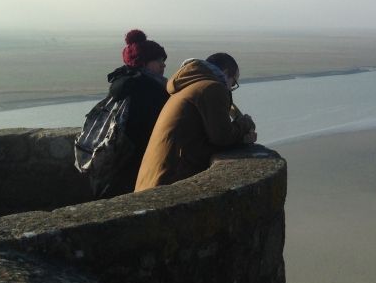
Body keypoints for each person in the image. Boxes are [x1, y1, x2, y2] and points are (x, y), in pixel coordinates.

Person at [134, 52, 257, 191]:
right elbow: (223, 136)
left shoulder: (189, 85)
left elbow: (202, 139)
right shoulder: (212, 87)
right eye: (233, 82)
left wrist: (240, 138)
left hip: (155, 180)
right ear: (226, 72)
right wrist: (246, 123)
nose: (230, 88)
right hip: (169, 183)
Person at [98, 29, 169, 197]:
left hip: (120, 158)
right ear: (143, 63)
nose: (163, 65)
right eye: (158, 60)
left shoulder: (123, 83)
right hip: (140, 157)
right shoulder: (147, 89)